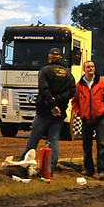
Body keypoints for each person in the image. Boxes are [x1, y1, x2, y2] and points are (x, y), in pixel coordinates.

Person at [19, 47, 76, 176]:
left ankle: (24, 163)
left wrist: (51, 105)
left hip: (44, 111)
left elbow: (44, 90)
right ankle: (51, 166)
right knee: (54, 138)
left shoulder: (44, 70)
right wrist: (58, 102)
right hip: (60, 112)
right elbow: (72, 90)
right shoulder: (68, 73)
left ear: (50, 57)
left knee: (34, 137)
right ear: (60, 58)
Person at [71, 60, 104, 181]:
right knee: (86, 145)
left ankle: (102, 171)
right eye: (88, 67)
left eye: (92, 66)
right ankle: (89, 170)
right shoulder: (79, 85)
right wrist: (79, 112)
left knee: (102, 144)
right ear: (84, 70)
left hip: (101, 118)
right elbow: (74, 101)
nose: (91, 68)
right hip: (86, 119)